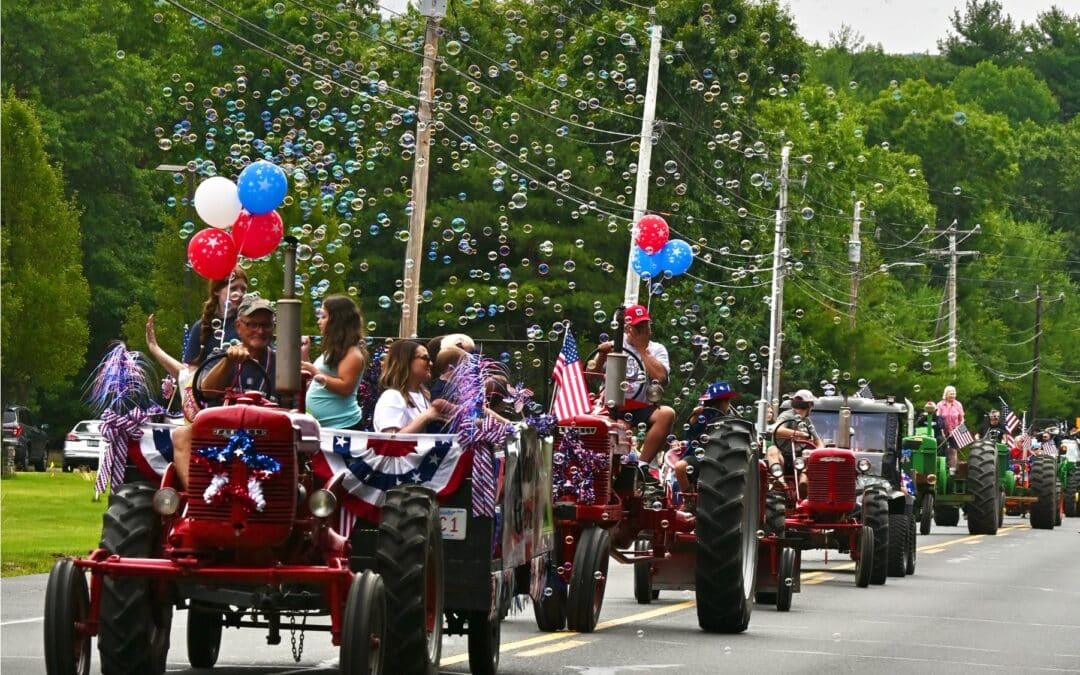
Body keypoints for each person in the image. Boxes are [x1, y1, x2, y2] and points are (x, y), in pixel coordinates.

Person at [171, 295, 278, 488]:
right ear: (238, 326)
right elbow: (205, 391)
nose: (260, 331)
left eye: (265, 325)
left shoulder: (282, 364)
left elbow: (293, 409)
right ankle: (197, 496)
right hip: (218, 436)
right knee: (181, 435)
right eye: (252, 324)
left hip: (267, 438)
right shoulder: (219, 355)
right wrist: (228, 361)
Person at [587, 304, 676, 498]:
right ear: (628, 328)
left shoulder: (656, 349)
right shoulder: (615, 345)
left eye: (645, 326)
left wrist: (642, 350)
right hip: (611, 406)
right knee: (599, 423)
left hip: (640, 406)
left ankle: (642, 466)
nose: (643, 330)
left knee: (667, 414)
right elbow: (591, 376)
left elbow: (661, 377)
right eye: (638, 327)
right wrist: (602, 355)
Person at [300, 295, 368, 430]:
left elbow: (345, 388)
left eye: (323, 317)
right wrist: (304, 354)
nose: (319, 321)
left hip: (343, 428)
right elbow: (317, 380)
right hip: (325, 428)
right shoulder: (335, 350)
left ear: (337, 320)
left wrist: (314, 371)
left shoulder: (352, 353)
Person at [372, 340, 452, 434]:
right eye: (425, 358)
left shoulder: (424, 395)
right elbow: (390, 439)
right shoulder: (392, 396)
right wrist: (425, 417)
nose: (431, 363)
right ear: (405, 361)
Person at [674, 381, 739, 493]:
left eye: (726, 400)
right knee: (680, 467)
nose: (724, 403)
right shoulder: (702, 415)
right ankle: (689, 498)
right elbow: (689, 435)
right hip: (701, 457)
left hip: (725, 460)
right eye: (719, 401)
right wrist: (694, 418)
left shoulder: (734, 419)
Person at [182, 269, 249, 366]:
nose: (240, 294)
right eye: (233, 288)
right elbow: (190, 369)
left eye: (243, 289)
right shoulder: (201, 327)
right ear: (217, 290)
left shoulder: (248, 324)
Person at [768, 389, 823, 490]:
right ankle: (780, 481)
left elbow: (818, 442)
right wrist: (800, 434)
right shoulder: (787, 415)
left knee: (810, 454)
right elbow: (776, 429)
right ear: (809, 405)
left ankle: (803, 481)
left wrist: (817, 452)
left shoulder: (807, 421)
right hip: (782, 457)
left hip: (799, 460)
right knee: (772, 449)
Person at [936, 385, 965, 473]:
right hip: (942, 431)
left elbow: (962, 419)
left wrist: (958, 428)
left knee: (953, 451)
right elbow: (938, 419)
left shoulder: (958, 404)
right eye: (951, 393)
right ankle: (941, 470)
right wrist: (942, 431)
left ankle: (952, 472)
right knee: (942, 451)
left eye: (954, 393)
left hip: (955, 431)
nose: (953, 395)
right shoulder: (940, 405)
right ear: (946, 394)